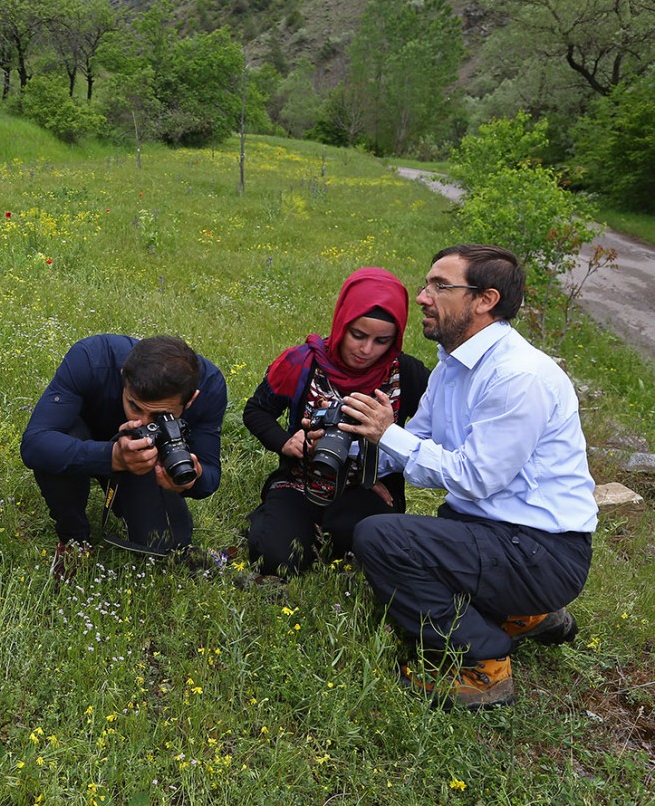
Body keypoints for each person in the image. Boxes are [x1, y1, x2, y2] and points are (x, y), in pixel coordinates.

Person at [340, 245, 595, 709]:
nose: (422, 296)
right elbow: (416, 439)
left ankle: (484, 663)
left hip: (544, 551)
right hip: (500, 535)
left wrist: (388, 434)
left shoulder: (519, 376)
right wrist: (347, 454)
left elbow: (476, 478)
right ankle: (523, 614)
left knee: (381, 539)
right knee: (406, 532)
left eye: (440, 286)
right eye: (426, 284)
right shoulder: (452, 365)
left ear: (485, 300)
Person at [242, 268, 429, 577]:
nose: (366, 350)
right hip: (301, 481)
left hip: (371, 489)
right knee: (277, 558)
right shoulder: (303, 362)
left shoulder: (407, 374)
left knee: (365, 552)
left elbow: (438, 434)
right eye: (357, 335)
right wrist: (285, 442)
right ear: (342, 322)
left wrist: (381, 469)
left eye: (382, 340)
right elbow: (256, 411)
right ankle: (282, 519)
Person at [20, 335, 227, 565]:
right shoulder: (92, 356)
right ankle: (74, 537)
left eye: (159, 416)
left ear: (190, 401)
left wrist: (192, 478)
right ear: (123, 376)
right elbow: (35, 443)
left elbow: (210, 477)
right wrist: (112, 457)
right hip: (83, 435)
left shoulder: (210, 385)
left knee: (165, 545)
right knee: (55, 446)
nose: (141, 422)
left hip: (145, 463)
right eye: (134, 406)